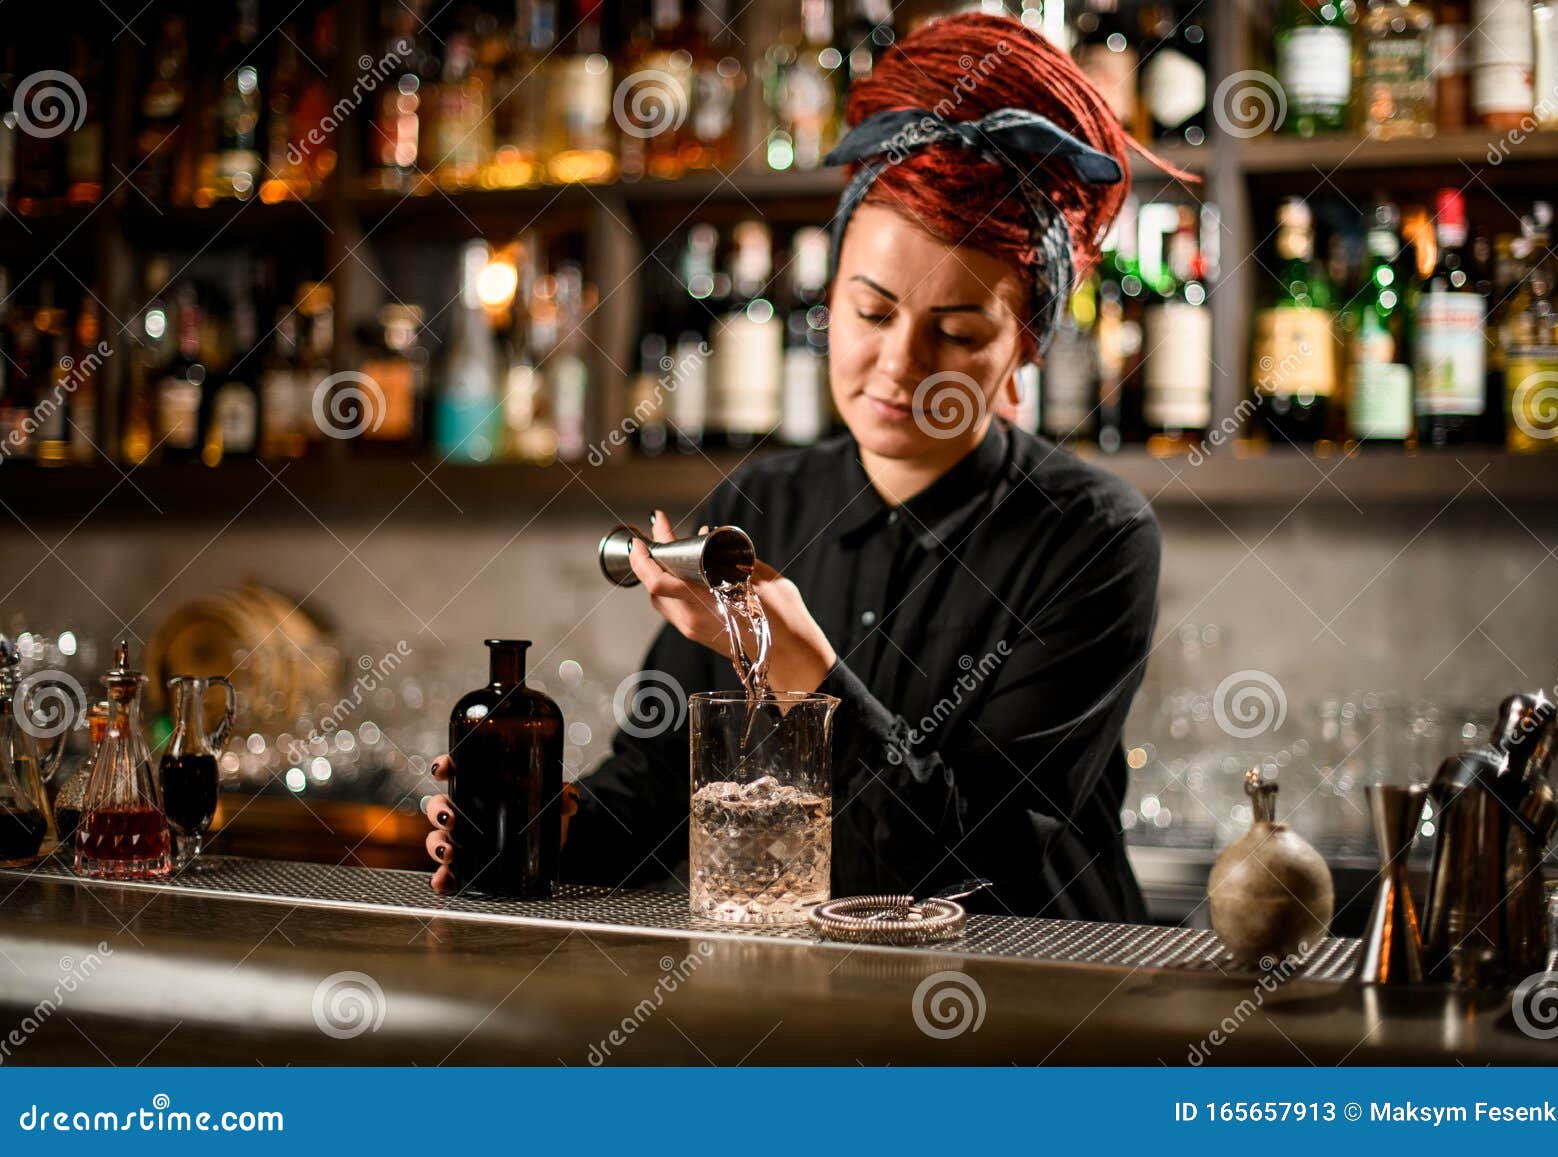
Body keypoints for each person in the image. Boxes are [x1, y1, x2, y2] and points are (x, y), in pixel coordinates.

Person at [425, 12, 1163, 922]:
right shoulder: (760, 503)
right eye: (872, 312)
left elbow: (975, 865)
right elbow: (652, 793)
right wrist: (534, 823)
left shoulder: (1092, 535)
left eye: (959, 332)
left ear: (1026, 350)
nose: (899, 365)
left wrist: (804, 672)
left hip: (1042, 1013)